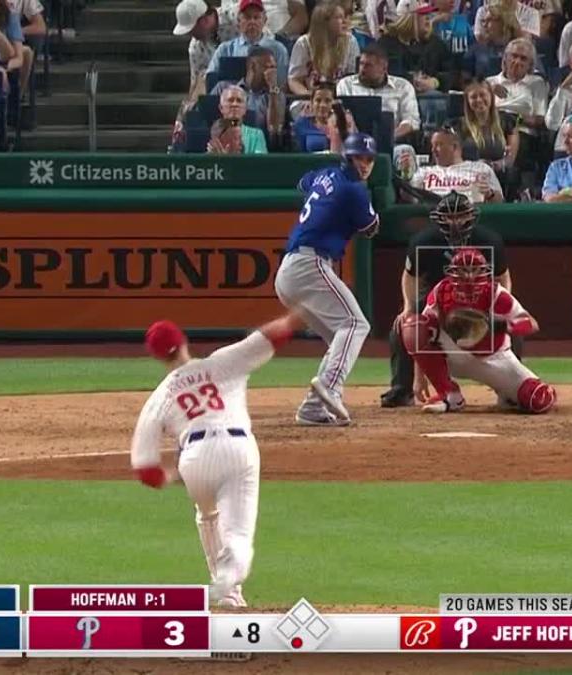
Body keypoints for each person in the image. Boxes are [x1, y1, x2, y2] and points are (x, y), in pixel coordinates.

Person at [130, 313, 305, 609]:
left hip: (194, 459)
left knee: (207, 514)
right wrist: (298, 315)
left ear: (157, 357)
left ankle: (227, 594)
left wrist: (173, 476)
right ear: (183, 340)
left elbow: (146, 471)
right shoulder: (221, 361)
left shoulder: (158, 397)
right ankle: (227, 577)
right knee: (237, 534)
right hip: (237, 449)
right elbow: (271, 335)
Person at [274, 132, 380, 426]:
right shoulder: (355, 190)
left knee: (340, 338)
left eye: (369, 159)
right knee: (356, 324)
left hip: (291, 269)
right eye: (360, 157)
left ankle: (313, 408)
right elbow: (371, 227)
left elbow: (304, 183)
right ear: (348, 157)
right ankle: (331, 387)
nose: (365, 164)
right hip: (310, 263)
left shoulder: (325, 175)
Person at [380, 191, 512, 408]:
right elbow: (409, 276)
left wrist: (500, 305)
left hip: (477, 297)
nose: (455, 222)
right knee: (402, 328)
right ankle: (401, 389)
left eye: (460, 216)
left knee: (506, 325)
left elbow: (503, 277)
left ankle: (508, 389)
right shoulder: (423, 241)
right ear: (439, 218)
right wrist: (409, 307)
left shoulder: (489, 241)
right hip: (436, 297)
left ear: (471, 216)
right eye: (450, 217)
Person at [399, 247, 556, 414]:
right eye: (463, 270)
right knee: (413, 326)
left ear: (484, 271)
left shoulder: (496, 293)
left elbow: (531, 323)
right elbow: (422, 332)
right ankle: (449, 395)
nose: (468, 276)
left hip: (494, 359)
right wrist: (419, 377)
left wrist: (502, 325)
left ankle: (507, 394)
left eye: (474, 270)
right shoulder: (442, 290)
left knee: (537, 399)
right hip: (453, 353)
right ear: (452, 272)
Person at [336, 43, 421, 142]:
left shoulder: (403, 87)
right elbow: (340, 118)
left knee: (405, 151)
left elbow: (411, 121)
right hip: (352, 142)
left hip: (393, 142)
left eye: (368, 65)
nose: (362, 69)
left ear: (384, 68)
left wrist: (389, 138)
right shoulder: (346, 85)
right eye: (361, 64)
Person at [210, 47, 286, 145]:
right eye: (269, 67)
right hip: (224, 142)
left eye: (274, 68)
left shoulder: (276, 94)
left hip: (259, 144)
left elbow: (274, 130)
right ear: (252, 66)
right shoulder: (223, 88)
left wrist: (273, 89)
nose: (273, 73)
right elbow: (210, 118)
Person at [410, 126, 505, 202]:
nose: (433, 150)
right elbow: (409, 199)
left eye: (439, 145)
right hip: (434, 216)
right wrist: (406, 173)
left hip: (471, 216)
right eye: (432, 145)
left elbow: (500, 202)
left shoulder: (481, 168)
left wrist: (490, 194)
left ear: (454, 147)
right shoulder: (424, 172)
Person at [206, 0, 290, 82]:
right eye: (247, 17)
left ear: (264, 20)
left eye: (256, 17)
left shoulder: (278, 49)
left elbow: (283, 85)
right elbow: (211, 80)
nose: (252, 22)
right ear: (239, 21)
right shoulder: (225, 49)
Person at [288, 1, 359, 96]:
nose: (344, 21)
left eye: (344, 17)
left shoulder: (351, 41)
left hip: (341, 97)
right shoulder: (304, 43)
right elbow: (294, 80)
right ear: (324, 22)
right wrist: (309, 96)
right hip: (308, 98)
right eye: (339, 18)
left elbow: (353, 79)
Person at [378, 3, 453, 92]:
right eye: (422, 14)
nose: (428, 18)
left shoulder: (436, 44)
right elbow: (383, 74)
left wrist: (435, 82)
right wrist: (412, 80)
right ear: (408, 18)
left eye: (429, 14)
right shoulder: (387, 44)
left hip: (432, 98)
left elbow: (451, 73)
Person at [292, 80, 356, 152]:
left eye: (328, 101)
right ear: (312, 102)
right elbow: (298, 155)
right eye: (318, 100)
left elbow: (353, 148)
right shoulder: (301, 124)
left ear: (334, 102)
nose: (323, 105)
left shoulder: (344, 121)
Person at [206, 84, 268, 154]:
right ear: (221, 108)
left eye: (239, 101)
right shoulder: (215, 133)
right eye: (230, 100)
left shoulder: (256, 135)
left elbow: (259, 163)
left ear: (245, 109)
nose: (235, 104)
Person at [174, 0, 219, 97]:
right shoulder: (196, 48)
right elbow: (196, 83)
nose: (191, 34)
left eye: (192, 29)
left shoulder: (238, 17)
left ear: (204, 21)